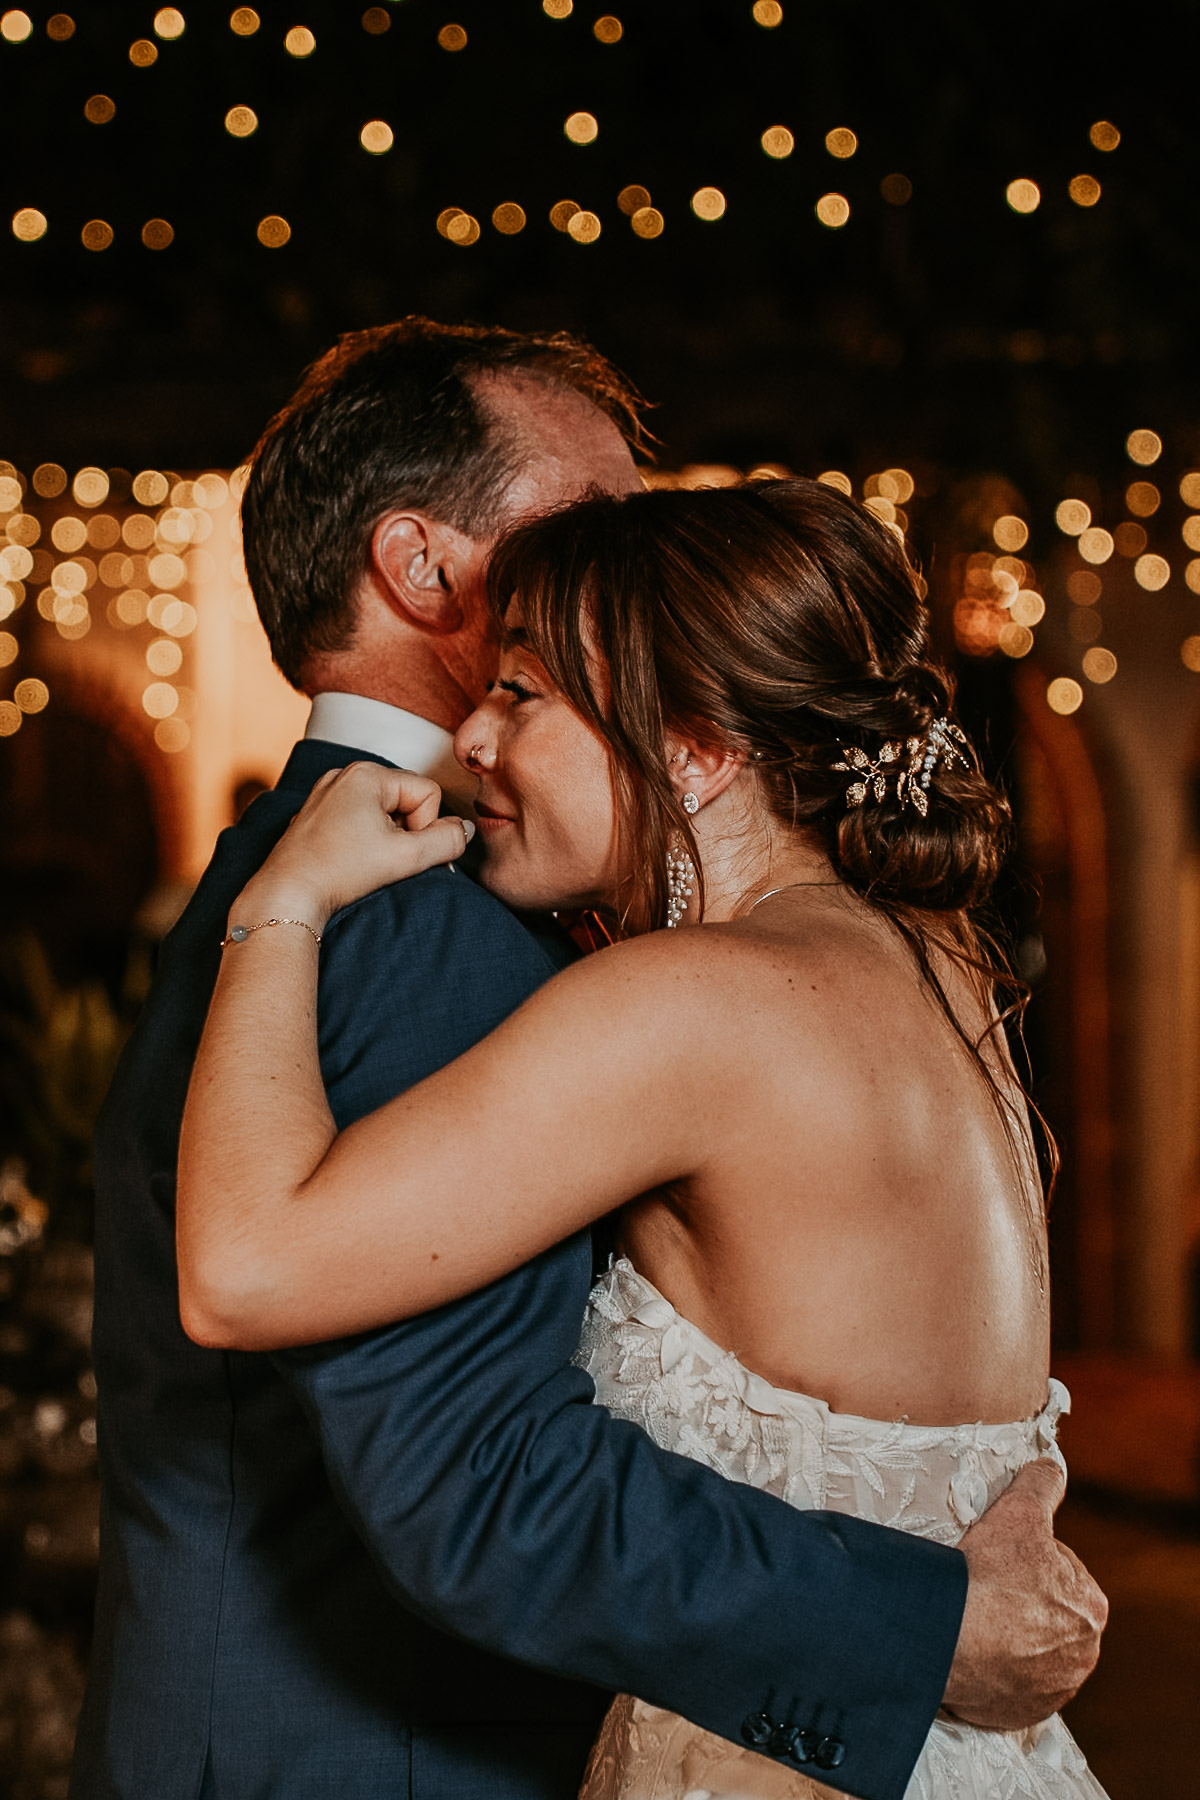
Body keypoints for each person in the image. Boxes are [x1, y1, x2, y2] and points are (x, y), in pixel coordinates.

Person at [177, 476, 1109, 1800]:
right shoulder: (930, 957)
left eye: (523, 694)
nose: (471, 738)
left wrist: (282, 903)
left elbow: (241, 1267)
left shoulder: (691, 1008)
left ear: (696, 751)